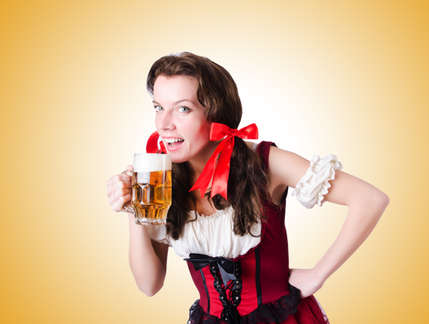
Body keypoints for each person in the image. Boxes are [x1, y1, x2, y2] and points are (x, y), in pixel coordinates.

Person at [106, 52, 390, 324]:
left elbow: (369, 199)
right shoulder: (160, 177)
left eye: (183, 108)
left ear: (216, 112)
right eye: (158, 107)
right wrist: (134, 210)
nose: (164, 124)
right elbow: (149, 284)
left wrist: (319, 274)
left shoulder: (266, 163)